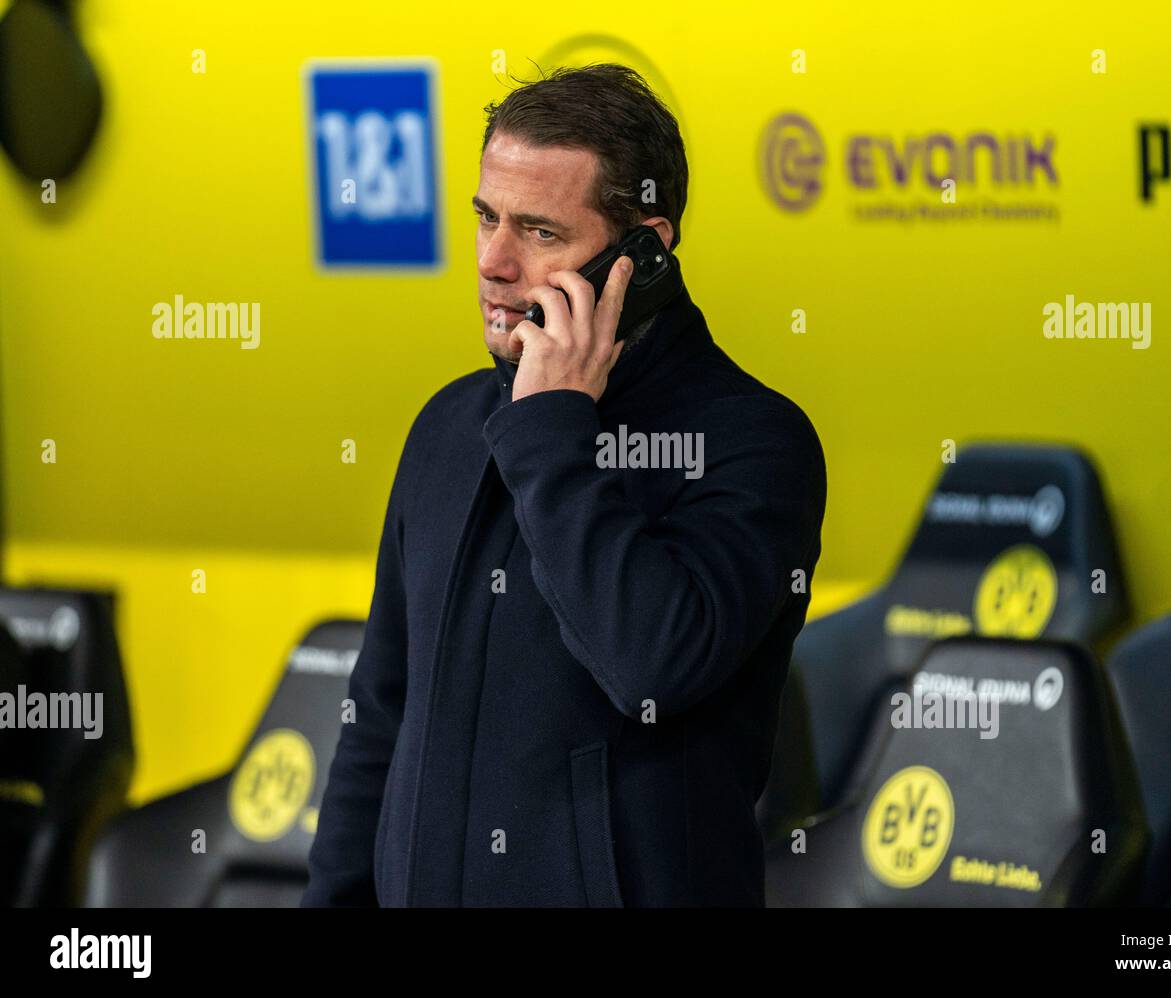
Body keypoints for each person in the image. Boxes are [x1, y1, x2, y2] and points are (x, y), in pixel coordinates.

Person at [302, 63, 826, 907]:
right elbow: (383, 713)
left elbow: (651, 665)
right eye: (485, 218)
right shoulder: (448, 425)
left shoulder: (754, 442)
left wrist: (553, 433)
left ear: (643, 253)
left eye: (540, 233)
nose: (494, 264)